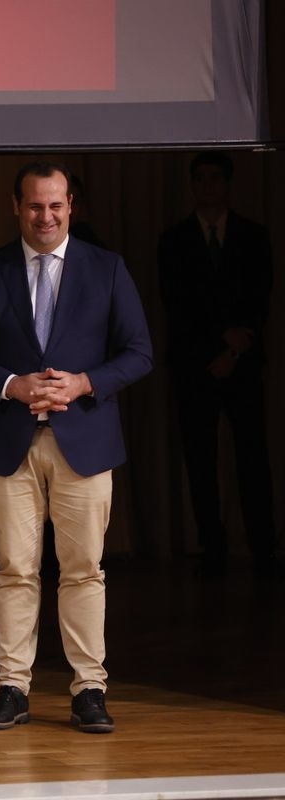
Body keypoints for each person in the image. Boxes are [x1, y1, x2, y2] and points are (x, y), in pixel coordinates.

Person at [0, 162, 152, 734]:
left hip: (83, 442)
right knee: (14, 570)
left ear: (71, 207)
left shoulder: (106, 268)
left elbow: (139, 351)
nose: (46, 216)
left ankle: (89, 690)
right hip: (9, 441)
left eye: (56, 205)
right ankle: (12, 687)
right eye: (35, 206)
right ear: (17, 207)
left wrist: (85, 382)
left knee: (84, 571)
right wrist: (12, 385)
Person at [157, 151, 276, 578]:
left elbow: (260, 297)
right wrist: (215, 346)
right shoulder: (174, 240)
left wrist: (235, 348)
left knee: (252, 456)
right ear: (192, 185)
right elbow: (177, 303)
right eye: (201, 179)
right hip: (195, 365)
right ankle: (213, 547)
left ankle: (264, 547)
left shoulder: (253, 235)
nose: (208, 186)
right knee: (200, 460)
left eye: (215, 178)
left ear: (227, 184)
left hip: (243, 362)